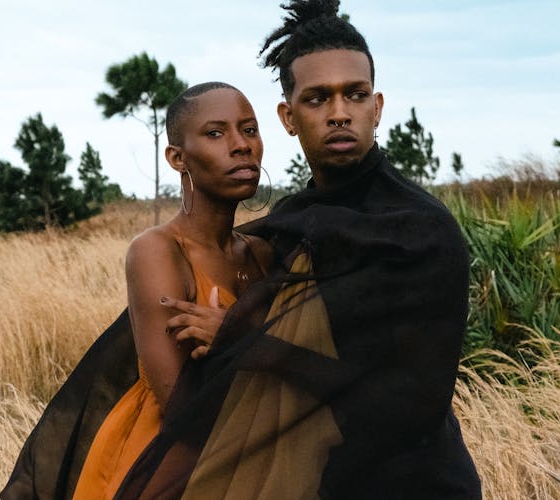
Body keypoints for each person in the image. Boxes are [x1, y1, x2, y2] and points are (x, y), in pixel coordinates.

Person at [112, 1, 483, 499]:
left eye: (354, 95)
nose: (338, 113)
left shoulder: (417, 229)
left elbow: (409, 402)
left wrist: (242, 337)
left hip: (415, 484)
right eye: (316, 99)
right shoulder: (289, 226)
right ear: (288, 117)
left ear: (377, 107)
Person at [0, 82, 272, 500]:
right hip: (161, 468)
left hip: (252, 462)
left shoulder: (262, 255)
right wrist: (255, 348)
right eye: (216, 133)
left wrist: (240, 340)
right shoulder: (157, 251)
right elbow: (182, 410)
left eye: (249, 129)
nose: (241, 146)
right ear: (177, 158)